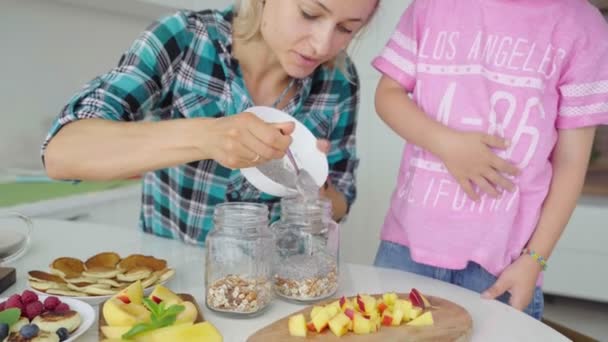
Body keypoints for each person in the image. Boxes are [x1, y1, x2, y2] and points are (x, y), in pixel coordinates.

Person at [42, 0, 379, 244]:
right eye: (309, 13)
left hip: (273, 281)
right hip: (170, 278)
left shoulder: (340, 79)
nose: (323, 44)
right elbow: (63, 153)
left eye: (346, 28)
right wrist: (208, 135)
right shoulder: (184, 40)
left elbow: (340, 203)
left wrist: (312, 182)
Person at [372, 0, 608, 319]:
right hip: (405, 249)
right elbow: (388, 94)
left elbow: (571, 164)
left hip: (503, 268)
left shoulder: (583, 27)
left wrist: (534, 260)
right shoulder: (431, 6)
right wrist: (448, 145)